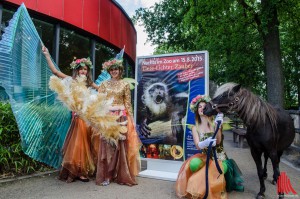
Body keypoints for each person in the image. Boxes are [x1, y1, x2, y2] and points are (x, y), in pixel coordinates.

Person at [42, 46, 99, 183]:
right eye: (81, 69)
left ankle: (84, 170)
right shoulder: (71, 80)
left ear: (88, 71)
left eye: (85, 69)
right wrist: (47, 55)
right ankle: (78, 172)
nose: (83, 71)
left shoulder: (90, 83)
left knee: (88, 144)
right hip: (78, 117)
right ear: (76, 70)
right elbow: (55, 72)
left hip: (88, 118)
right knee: (79, 145)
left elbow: (102, 89)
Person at [175, 95, 244, 199]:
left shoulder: (214, 123)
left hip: (219, 158)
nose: (202, 108)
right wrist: (205, 143)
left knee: (216, 169)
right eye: (199, 107)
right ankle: (198, 185)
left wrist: (218, 126)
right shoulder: (195, 128)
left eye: (204, 106)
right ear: (196, 110)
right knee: (193, 164)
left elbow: (219, 141)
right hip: (205, 157)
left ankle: (213, 188)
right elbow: (198, 146)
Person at [95, 57, 141, 186]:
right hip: (107, 118)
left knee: (120, 147)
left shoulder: (125, 84)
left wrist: (130, 119)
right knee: (107, 146)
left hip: (121, 118)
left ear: (120, 70)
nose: (114, 71)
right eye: (112, 69)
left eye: (116, 69)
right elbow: (99, 102)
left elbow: (128, 103)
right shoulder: (103, 84)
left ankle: (119, 174)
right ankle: (107, 176)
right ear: (109, 71)